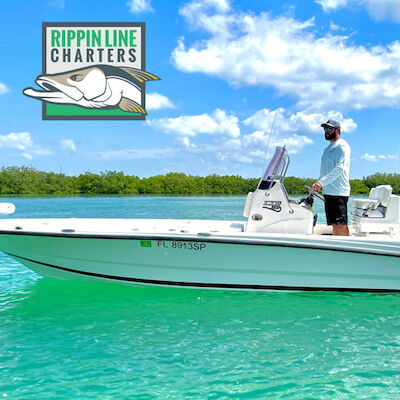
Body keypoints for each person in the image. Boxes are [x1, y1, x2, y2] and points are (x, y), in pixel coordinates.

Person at [312, 119, 351, 236]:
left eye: (329, 128)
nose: (326, 131)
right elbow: (325, 171)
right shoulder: (327, 149)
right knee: (334, 222)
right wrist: (318, 182)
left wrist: (321, 183)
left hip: (339, 192)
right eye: (325, 129)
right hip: (328, 191)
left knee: (340, 223)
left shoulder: (342, 145)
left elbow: (340, 168)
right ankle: (337, 248)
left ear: (338, 130)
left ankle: (345, 249)